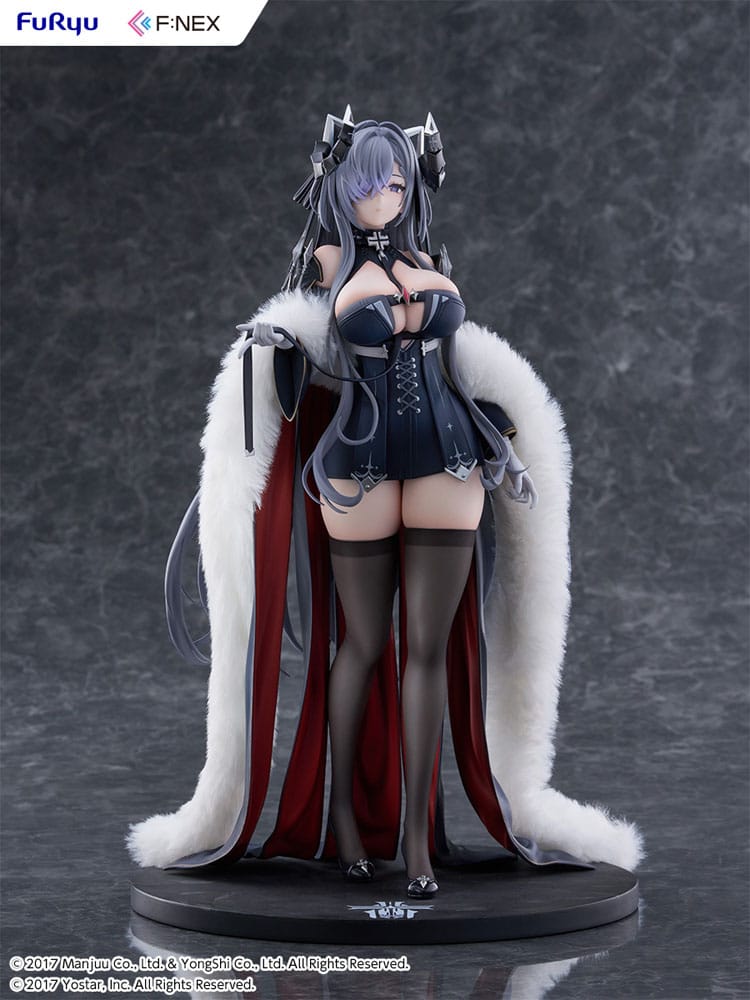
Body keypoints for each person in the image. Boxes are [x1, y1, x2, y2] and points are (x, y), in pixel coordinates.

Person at [127, 111, 643, 892]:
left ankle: (419, 843)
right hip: (358, 465)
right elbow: (304, 344)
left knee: (428, 649)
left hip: (447, 458)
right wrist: (272, 356)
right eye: (370, 185)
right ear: (341, 186)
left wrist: (508, 427)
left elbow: (457, 363)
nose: (385, 198)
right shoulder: (326, 262)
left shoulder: (426, 256)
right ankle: (343, 819)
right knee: (364, 645)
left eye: (397, 184)